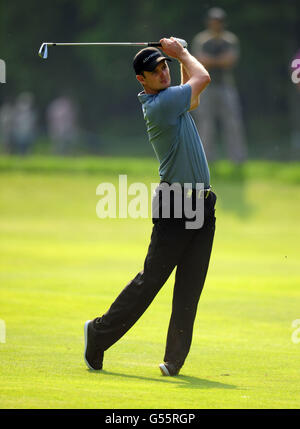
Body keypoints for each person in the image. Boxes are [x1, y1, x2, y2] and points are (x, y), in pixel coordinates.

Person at [84, 37, 217, 376]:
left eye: (164, 66)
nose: (162, 72)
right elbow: (203, 80)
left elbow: (193, 90)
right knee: (150, 284)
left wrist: (179, 58)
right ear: (141, 79)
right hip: (176, 205)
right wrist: (183, 53)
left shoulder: (173, 101)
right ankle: (97, 333)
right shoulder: (160, 105)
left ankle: (174, 361)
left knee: (190, 286)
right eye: (154, 70)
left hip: (202, 205)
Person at [191, 7, 247, 163]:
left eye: (219, 21)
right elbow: (200, 61)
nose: (217, 24)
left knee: (233, 123)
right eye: (214, 21)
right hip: (205, 87)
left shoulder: (230, 39)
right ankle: (206, 160)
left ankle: (237, 159)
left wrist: (211, 60)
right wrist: (219, 60)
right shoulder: (201, 40)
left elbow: (230, 60)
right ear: (209, 22)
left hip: (226, 86)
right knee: (206, 124)